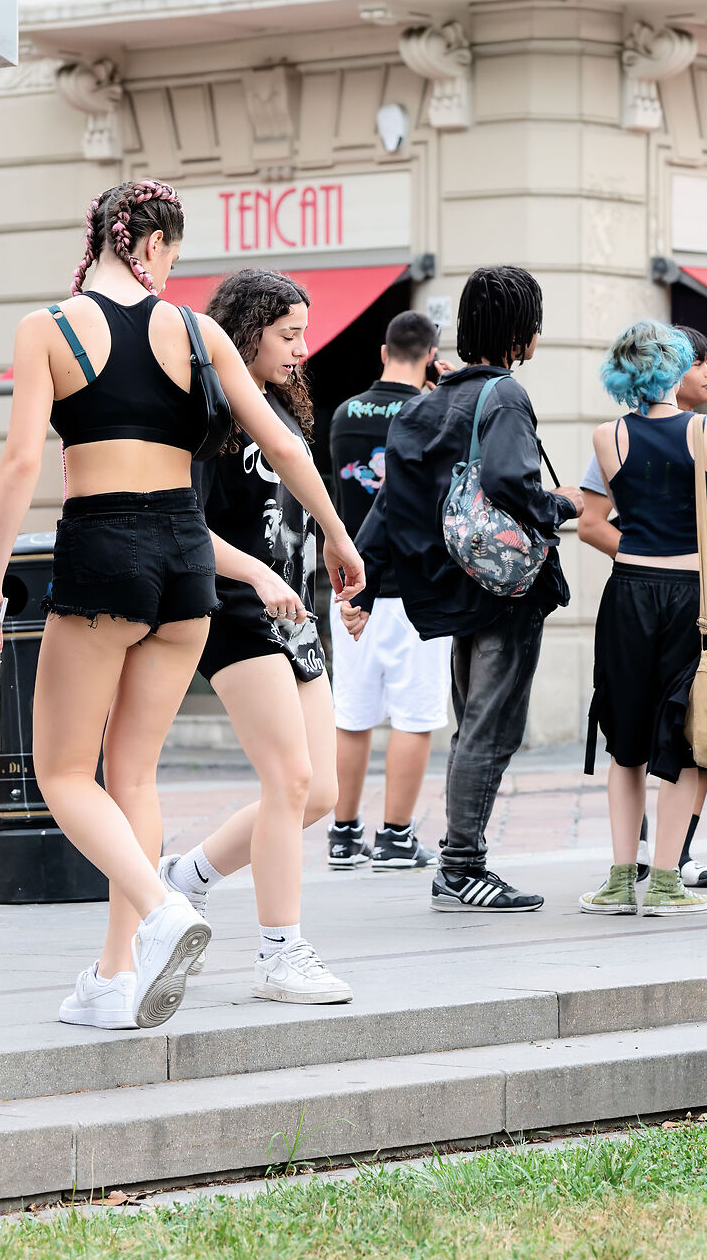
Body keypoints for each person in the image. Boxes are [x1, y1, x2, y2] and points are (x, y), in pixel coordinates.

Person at [0, 182, 360, 1031]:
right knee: (133, 775)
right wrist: (338, 534)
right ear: (150, 246)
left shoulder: (48, 327)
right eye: (172, 257)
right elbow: (283, 441)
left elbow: (21, 463)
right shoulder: (196, 330)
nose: (170, 273)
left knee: (63, 772)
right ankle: (115, 976)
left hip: (103, 548)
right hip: (186, 561)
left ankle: (160, 907)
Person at [154, 270, 358, 1005]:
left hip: (293, 613)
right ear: (246, 334)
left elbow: (297, 497)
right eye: (287, 335)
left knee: (320, 792)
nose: (302, 349)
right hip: (237, 610)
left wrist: (334, 540)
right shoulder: (210, 409)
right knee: (289, 780)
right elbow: (186, 526)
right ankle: (279, 952)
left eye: (304, 333)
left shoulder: (277, 406)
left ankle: (187, 876)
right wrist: (259, 575)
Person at [355, 265, 582, 913]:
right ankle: (462, 867)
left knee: (471, 724)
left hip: (455, 587)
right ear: (520, 332)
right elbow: (511, 479)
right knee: (492, 726)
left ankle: (460, 861)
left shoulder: (428, 401)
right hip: (506, 588)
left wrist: (363, 580)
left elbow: (391, 500)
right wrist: (560, 505)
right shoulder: (504, 395)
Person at [574, 323, 707, 918]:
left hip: (627, 591)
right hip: (696, 594)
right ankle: (664, 882)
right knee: (683, 734)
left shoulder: (607, 436)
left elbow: (597, 519)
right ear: (676, 368)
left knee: (625, 742)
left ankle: (618, 880)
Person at [323, 310, 448, 873]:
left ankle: (343, 834)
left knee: (352, 713)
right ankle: (396, 837)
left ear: (383, 352)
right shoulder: (431, 412)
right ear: (431, 357)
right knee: (413, 716)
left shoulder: (346, 413)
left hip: (351, 586)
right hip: (417, 588)